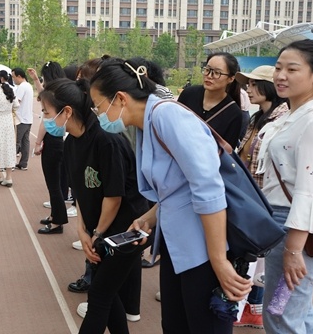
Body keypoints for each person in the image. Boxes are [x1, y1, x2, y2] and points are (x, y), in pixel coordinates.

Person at [90, 58, 252, 334]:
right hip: (178, 247)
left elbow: (208, 190)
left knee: (203, 327)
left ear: (120, 98)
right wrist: (150, 218)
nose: (98, 113)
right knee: (176, 326)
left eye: (99, 105)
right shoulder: (149, 122)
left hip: (202, 250)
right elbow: (178, 187)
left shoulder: (168, 116)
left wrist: (218, 262)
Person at [39, 77, 150, 334]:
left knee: (99, 296)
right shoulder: (70, 144)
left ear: (67, 111)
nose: (44, 118)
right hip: (99, 230)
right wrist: (82, 230)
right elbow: (79, 192)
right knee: (108, 296)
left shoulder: (106, 141)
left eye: (46, 112)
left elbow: (114, 196)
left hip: (126, 230)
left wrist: (97, 233)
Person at [255, 40, 313, 333]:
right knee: (298, 310)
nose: (281, 75)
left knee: (280, 314)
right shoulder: (292, 113)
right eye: (278, 68)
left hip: (296, 230)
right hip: (287, 225)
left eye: (292, 69)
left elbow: (308, 191)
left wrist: (293, 251)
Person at [234, 64, 289, 329]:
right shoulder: (258, 118)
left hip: (267, 203)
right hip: (251, 199)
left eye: (254, 84)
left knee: (262, 263)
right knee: (257, 260)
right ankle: (251, 309)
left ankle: (251, 309)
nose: (249, 88)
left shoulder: (282, 119)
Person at [27, 61, 70, 234]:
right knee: (59, 183)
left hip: (54, 142)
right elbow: (44, 95)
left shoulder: (53, 95)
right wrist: (36, 79)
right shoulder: (64, 91)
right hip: (63, 141)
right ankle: (55, 215)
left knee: (54, 184)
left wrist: (37, 143)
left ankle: (57, 221)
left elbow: (46, 122)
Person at [178, 52, 243, 148]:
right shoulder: (188, 94)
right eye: (207, 69)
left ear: (231, 78)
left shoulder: (233, 113)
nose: (209, 75)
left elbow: (227, 153)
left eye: (217, 73)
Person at [11, 68, 33, 170]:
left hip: (20, 119)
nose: (13, 79)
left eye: (13, 77)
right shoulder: (29, 86)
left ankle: (10, 163)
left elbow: (16, 102)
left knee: (15, 141)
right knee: (25, 142)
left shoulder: (21, 87)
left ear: (19, 76)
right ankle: (23, 163)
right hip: (28, 118)